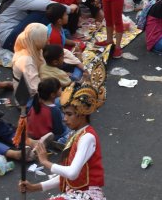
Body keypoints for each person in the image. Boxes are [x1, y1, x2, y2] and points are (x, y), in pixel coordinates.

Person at [18, 69, 109, 200]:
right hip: (75, 193)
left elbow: (72, 173)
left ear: (82, 114)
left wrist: (45, 162)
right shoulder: (76, 134)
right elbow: (67, 175)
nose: (64, 118)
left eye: (69, 114)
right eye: (64, 113)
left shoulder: (87, 137)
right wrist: (36, 187)